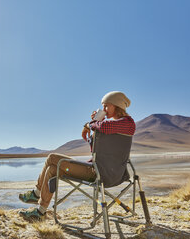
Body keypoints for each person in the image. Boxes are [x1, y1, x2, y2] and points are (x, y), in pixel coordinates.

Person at [18, 91, 136, 220]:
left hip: (101, 173)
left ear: (117, 106)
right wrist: (93, 127)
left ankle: (36, 194)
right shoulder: (113, 126)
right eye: (103, 106)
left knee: (52, 157)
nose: (104, 109)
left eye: (106, 106)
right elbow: (96, 148)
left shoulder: (127, 123)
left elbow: (104, 127)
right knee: (52, 169)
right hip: (97, 169)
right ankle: (40, 212)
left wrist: (90, 124)